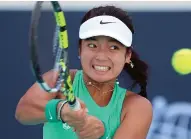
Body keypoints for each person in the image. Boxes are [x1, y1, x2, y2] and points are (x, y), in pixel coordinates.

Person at [15, 5, 153, 139]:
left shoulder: (137, 107)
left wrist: (99, 135)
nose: (101, 56)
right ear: (80, 49)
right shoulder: (59, 79)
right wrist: (61, 110)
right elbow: (23, 111)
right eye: (92, 45)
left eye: (113, 47)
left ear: (127, 55)